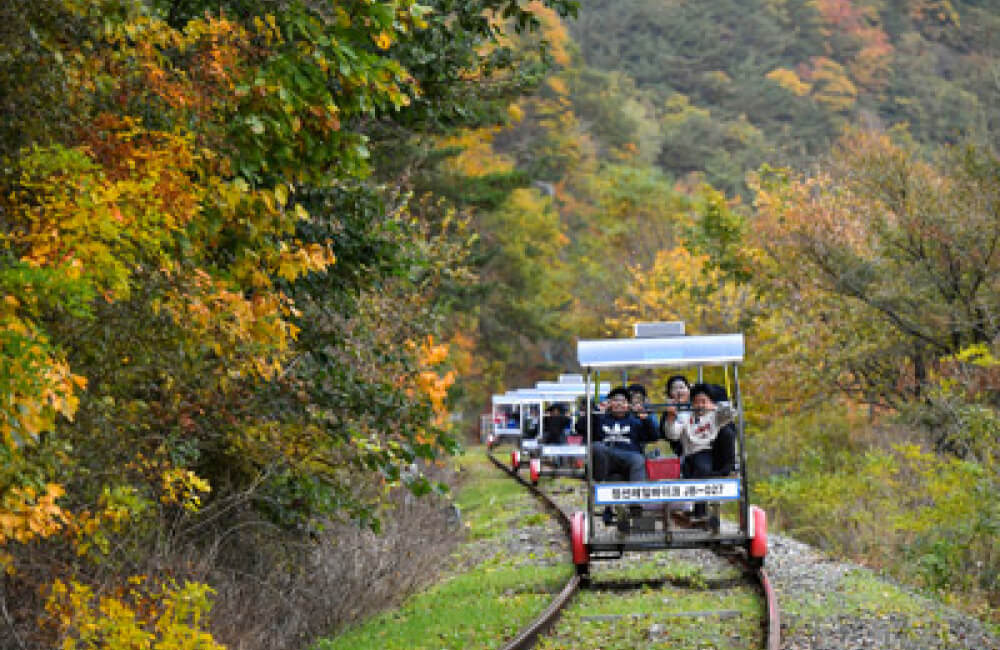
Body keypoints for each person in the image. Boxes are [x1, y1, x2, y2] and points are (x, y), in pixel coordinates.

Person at [663, 383, 735, 518]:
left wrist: (715, 407)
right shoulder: (685, 417)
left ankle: (727, 470)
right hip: (694, 453)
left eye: (703, 401)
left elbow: (729, 414)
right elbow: (673, 435)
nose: (700, 405)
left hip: (713, 451)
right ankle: (700, 511)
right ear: (692, 403)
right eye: (697, 402)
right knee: (702, 466)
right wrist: (670, 419)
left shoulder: (715, 414)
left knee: (728, 433)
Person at [575, 386, 658, 482]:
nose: (619, 404)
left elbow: (654, 437)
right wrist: (596, 411)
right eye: (615, 400)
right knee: (596, 447)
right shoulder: (600, 418)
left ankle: (637, 489)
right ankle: (599, 485)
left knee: (638, 459)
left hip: (629, 455)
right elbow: (579, 428)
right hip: (606, 456)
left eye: (623, 401)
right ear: (609, 403)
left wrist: (646, 419)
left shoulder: (636, 420)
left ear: (628, 405)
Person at [659, 375, 691, 457]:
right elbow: (666, 436)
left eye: (682, 387)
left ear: (688, 390)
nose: (679, 391)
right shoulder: (668, 412)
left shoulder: (698, 404)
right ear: (670, 393)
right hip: (684, 448)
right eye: (675, 388)